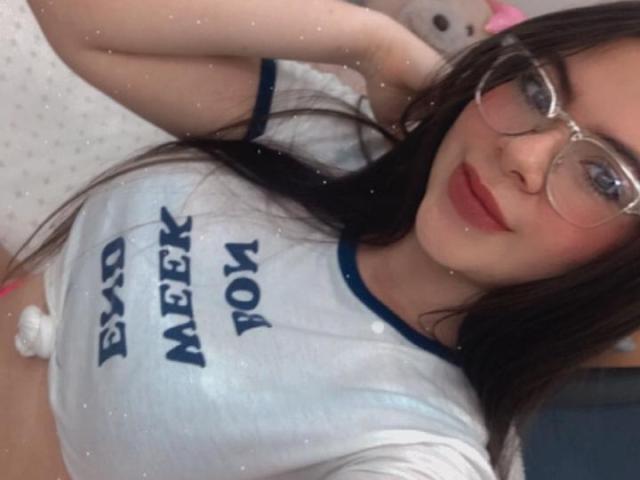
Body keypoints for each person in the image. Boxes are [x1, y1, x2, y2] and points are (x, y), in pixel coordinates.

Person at [3, 0, 640, 479]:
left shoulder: (417, 448)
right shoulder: (336, 148)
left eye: (604, 179)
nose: (524, 154)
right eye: (536, 89)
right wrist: (373, 44)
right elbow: (79, 21)